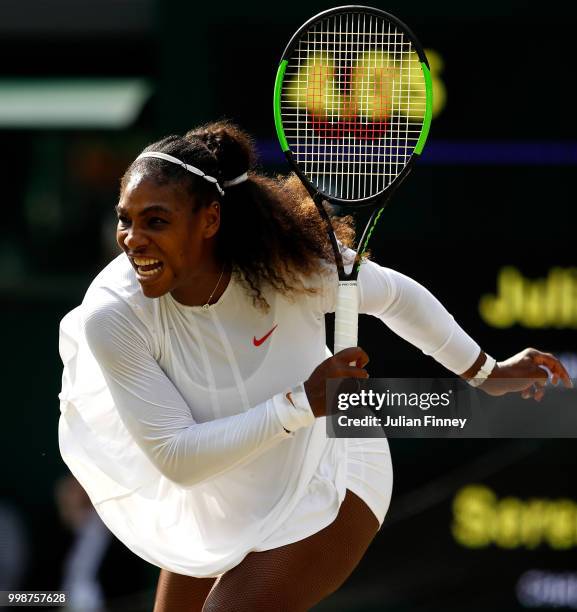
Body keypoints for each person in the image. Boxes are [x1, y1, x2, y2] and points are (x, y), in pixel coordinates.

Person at [58, 121, 572, 611]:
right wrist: (301, 402)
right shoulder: (112, 314)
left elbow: (394, 295)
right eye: (125, 219)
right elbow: (179, 458)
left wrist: (485, 372)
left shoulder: (283, 266)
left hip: (332, 470)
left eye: (156, 221)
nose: (132, 240)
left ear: (210, 220)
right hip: (220, 489)